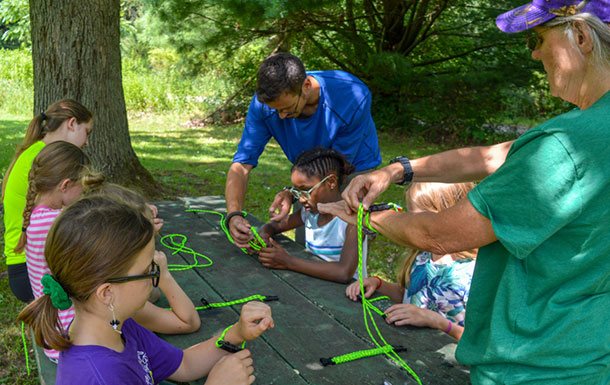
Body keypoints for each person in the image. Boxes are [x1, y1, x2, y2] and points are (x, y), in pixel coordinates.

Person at [320, 1, 610, 383]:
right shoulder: (590, 131)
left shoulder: (566, 145)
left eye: (539, 39)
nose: (536, 53)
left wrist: (364, 216)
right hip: (588, 351)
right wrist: (398, 170)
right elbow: (494, 157)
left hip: (536, 366)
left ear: (583, 37)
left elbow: (440, 234)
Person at [18, 196, 274, 384]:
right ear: (107, 293)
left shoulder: (116, 325)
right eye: (147, 272)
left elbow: (183, 364)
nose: (155, 277)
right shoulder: (96, 377)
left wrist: (235, 333)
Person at [225, 53, 382, 248]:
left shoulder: (352, 95)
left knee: (344, 242)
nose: (281, 117)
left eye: (288, 108)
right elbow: (242, 164)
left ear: (306, 85)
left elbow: (334, 168)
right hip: (308, 173)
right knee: (307, 242)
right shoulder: (264, 106)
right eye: (277, 111)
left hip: (351, 168)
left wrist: (294, 193)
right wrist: (233, 214)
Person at [345, 182, 476, 341]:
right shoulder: (423, 253)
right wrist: (378, 284)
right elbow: (410, 294)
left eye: (418, 220)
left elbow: (480, 341)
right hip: (411, 347)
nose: (410, 227)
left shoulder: (473, 271)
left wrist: (437, 322)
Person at [15, 141, 104, 362]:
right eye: (81, 188)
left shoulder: (40, 215)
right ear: (65, 185)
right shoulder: (55, 221)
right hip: (70, 341)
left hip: (57, 333)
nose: (82, 194)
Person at [2, 99, 93, 302]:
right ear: (71, 123)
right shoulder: (42, 157)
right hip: (32, 271)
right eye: (87, 132)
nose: (87, 142)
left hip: (28, 266)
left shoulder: (38, 153)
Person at [257, 147, 367, 283]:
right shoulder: (310, 212)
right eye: (296, 192)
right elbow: (273, 227)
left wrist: (289, 262)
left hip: (349, 294)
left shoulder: (352, 220)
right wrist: (263, 236)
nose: (301, 199)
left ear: (331, 182)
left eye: (306, 191)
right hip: (314, 287)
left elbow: (344, 273)